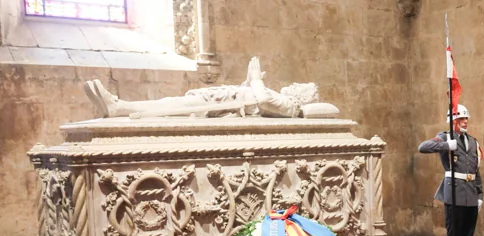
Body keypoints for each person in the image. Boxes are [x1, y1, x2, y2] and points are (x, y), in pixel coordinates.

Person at [83, 57, 319, 119]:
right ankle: (119, 107)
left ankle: (120, 106)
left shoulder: (291, 107)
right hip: (223, 99)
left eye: (302, 87)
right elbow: (258, 100)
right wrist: (249, 81)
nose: (296, 84)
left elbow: (265, 103)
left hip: (223, 106)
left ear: (303, 99)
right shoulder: (282, 99)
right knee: (173, 106)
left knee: (173, 107)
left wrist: (256, 80)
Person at [418, 105, 484, 236]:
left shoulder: (473, 142)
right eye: (461, 119)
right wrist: (446, 145)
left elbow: (476, 170)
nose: (465, 122)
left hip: (470, 192)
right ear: (453, 121)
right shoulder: (445, 137)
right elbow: (423, 147)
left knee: (467, 234)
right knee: (454, 233)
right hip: (454, 191)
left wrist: (480, 194)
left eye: (466, 119)